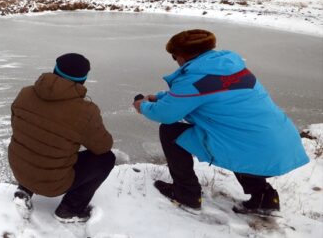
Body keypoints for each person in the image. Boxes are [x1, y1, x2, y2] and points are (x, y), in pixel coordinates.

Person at [132, 29, 309, 215]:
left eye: (174, 56)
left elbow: (166, 114)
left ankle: (186, 194)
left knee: (170, 131)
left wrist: (142, 105)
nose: (175, 61)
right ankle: (265, 198)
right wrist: (161, 96)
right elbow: (205, 92)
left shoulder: (193, 79)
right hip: (281, 145)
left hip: (255, 149)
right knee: (236, 136)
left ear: (182, 55)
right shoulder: (230, 66)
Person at [8, 53, 115, 223]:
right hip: (52, 183)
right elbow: (103, 146)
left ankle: (25, 189)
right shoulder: (85, 111)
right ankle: (69, 209)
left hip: (19, 168)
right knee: (106, 159)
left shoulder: (25, 93)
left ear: (54, 71)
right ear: (83, 80)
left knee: (35, 138)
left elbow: (16, 125)